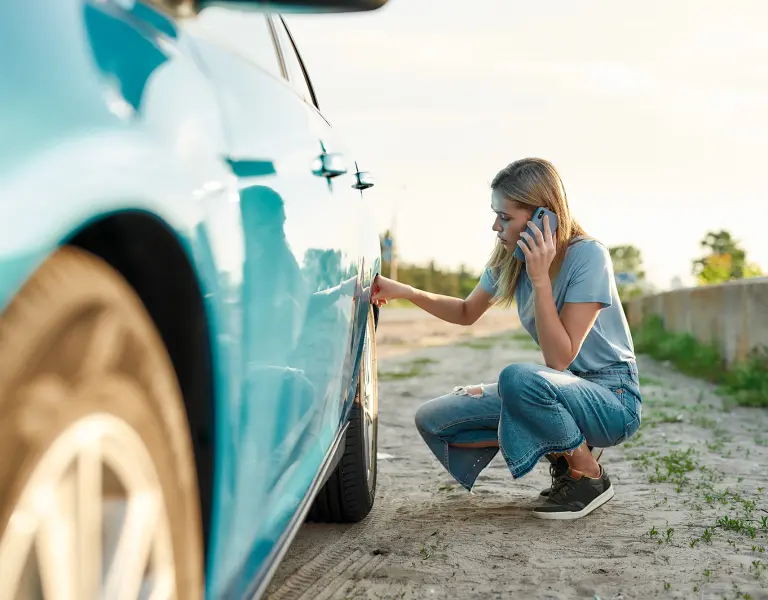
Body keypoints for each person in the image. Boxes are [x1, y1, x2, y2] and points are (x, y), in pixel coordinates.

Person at [370, 158, 642, 520]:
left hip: (612, 397)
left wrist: (541, 278)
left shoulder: (588, 256)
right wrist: (408, 291)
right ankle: (561, 447)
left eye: (506, 217)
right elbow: (467, 312)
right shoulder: (510, 259)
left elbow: (559, 358)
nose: (496, 226)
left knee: (517, 379)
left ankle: (586, 473)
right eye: (496, 214)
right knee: (435, 418)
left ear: (545, 217)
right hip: (557, 389)